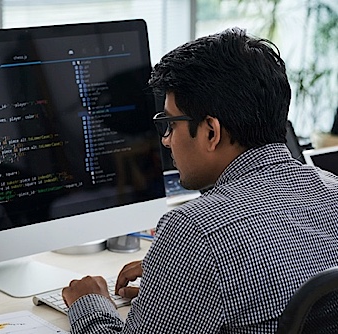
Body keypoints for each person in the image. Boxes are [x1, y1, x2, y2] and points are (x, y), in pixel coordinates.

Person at [61, 27, 338, 333]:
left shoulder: (195, 232)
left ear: (210, 132)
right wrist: (175, 281)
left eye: (169, 124)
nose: (166, 141)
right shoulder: (332, 190)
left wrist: (89, 304)